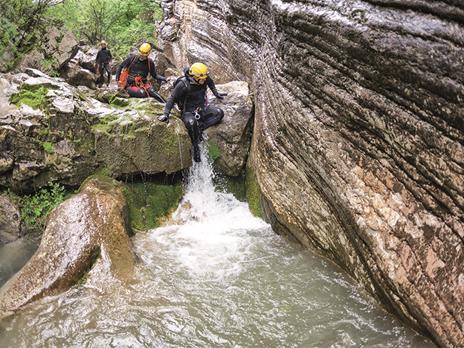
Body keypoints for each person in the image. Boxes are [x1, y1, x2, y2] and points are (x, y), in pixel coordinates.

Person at [159, 62, 227, 162]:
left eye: (205, 78)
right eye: (202, 78)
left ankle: (200, 128)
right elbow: (172, 99)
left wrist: (216, 93)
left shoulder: (204, 78)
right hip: (188, 112)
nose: (204, 80)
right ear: (194, 77)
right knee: (192, 123)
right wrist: (166, 114)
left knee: (219, 113)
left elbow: (211, 83)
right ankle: (196, 146)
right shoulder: (183, 84)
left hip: (202, 108)